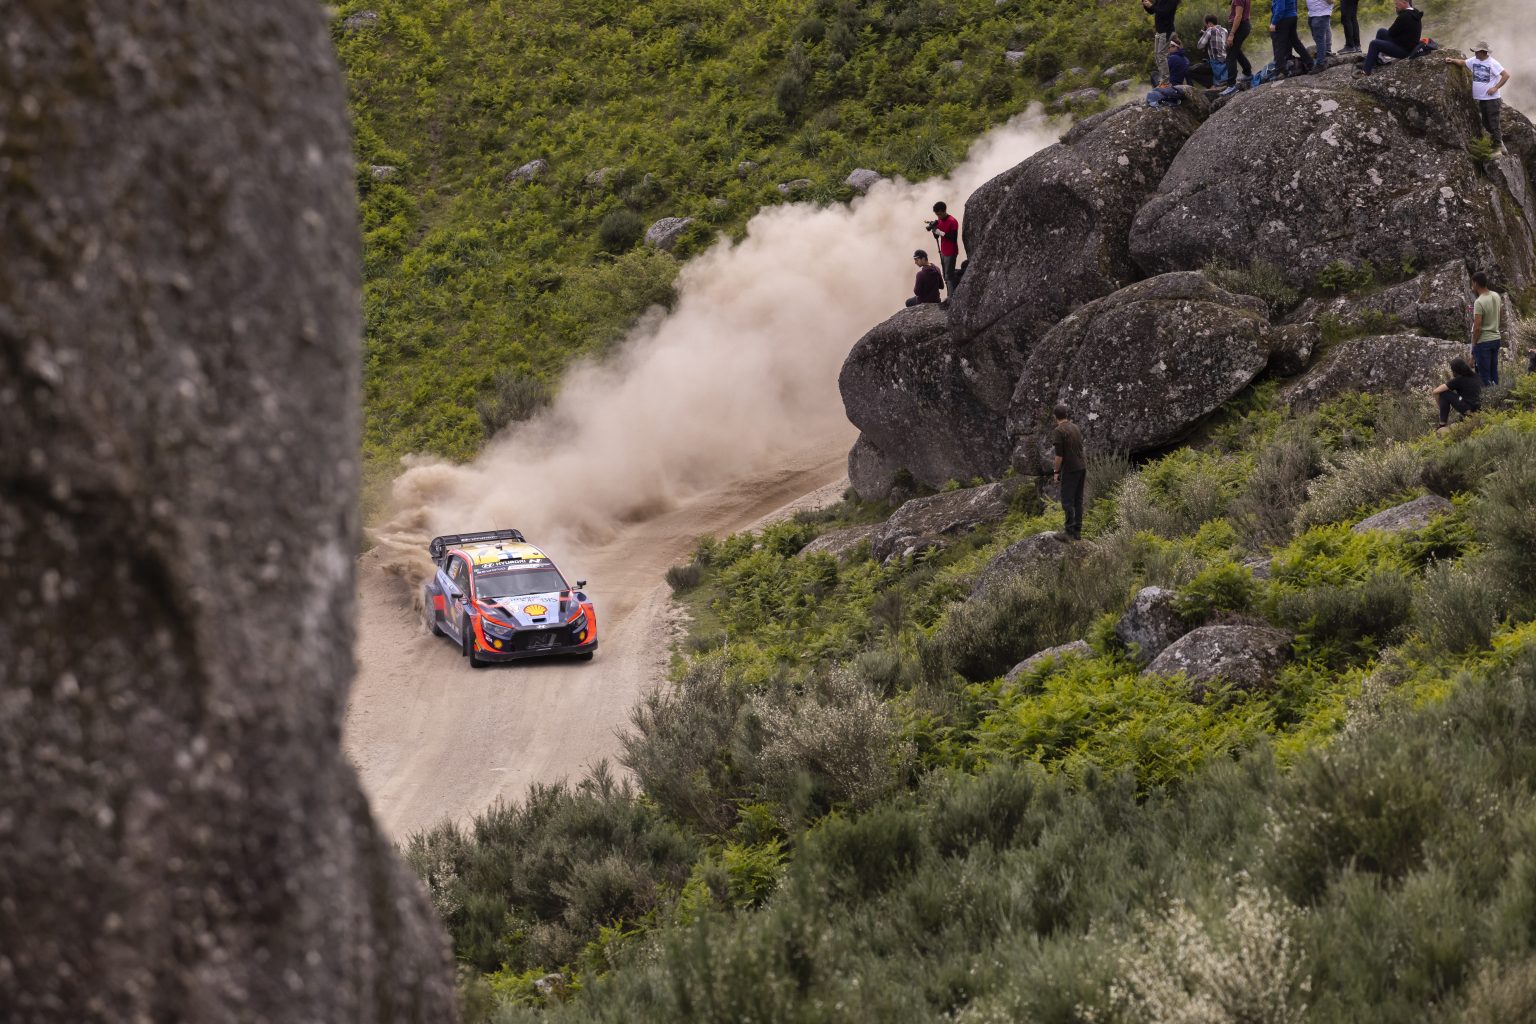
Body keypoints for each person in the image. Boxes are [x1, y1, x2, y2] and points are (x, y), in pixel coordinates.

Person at [1445, 43, 1510, 153]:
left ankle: (1498, 147)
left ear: (1483, 52)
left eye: (1477, 51)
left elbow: (1506, 75)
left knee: (1493, 123)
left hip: (1492, 99)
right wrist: (1452, 60)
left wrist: (1495, 88)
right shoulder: (1474, 60)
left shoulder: (1492, 63)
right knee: (1486, 123)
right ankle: (1499, 143)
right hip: (1482, 99)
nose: (1475, 53)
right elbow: (1463, 63)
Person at [1356, 0, 1421, 77]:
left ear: (1404, 2)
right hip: (1407, 45)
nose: (1395, 6)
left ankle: (1365, 72)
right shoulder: (1415, 12)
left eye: (1397, 3)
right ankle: (1376, 60)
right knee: (1381, 31)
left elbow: (1391, 32)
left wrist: (1399, 14)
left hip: (1404, 51)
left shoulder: (1404, 16)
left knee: (1374, 44)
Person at [1051, 404, 1087, 541]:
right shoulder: (1075, 427)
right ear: (1066, 414)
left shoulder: (1059, 431)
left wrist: (1056, 471)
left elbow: (1059, 456)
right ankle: (1077, 532)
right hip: (1082, 467)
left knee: (1067, 501)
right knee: (1078, 500)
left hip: (1070, 469)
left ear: (1055, 417)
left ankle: (1068, 532)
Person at [1469, 270, 1503, 385]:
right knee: (1494, 372)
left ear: (1475, 283)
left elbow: (1477, 327)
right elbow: (1500, 313)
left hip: (1484, 342)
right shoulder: (1496, 295)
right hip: (1496, 338)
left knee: (1484, 375)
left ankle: (1488, 396)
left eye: (1472, 283)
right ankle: (1497, 393)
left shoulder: (1479, 302)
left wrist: (1474, 344)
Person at [1433, 356, 1482, 431]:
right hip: (1481, 408)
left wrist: (1441, 407)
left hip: (1470, 409)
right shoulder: (1475, 375)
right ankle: (1466, 416)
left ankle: (1442, 424)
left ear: (1454, 370)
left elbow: (1436, 391)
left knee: (1444, 394)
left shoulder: (1458, 380)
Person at [1269, 0, 1312, 77]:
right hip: (1292, 16)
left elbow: (1280, 8)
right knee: (1295, 42)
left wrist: (1274, 22)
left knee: (1278, 45)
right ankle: (1309, 63)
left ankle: (1280, 70)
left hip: (1283, 18)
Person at [926, 202, 961, 296]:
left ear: (944, 211)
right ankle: (950, 294)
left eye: (939, 214)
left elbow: (953, 238)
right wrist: (934, 230)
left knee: (948, 275)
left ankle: (951, 297)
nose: (938, 216)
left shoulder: (953, 221)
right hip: (943, 251)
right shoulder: (939, 220)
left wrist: (940, 232)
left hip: (951, 251)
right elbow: (937, 237)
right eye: (937, 214)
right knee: (946, 275)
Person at [1142, 0, 1181, 85]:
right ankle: (1163, 80)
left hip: (1166, 31)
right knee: (1157, 55)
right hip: (1159, 32)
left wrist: (1151, 6)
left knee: (1161, 55)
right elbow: (1152, 11)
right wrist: (1145, 4)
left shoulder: (1172, 1)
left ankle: (1166, 82)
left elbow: (1164, 13)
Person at [1220, 0, 1253, 95]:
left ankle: (1231, 85)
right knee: (1236, 51)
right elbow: (1247, 13)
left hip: (1239, 26)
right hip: (1244, 25)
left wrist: (1232, 34)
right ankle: (1247, 72)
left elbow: (1238, 16)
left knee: (1230, 55)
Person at [1200, 15, 1229, 84]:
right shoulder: (1225, 30)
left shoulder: (1209, 30)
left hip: (1216, 60)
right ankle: (1224, 80)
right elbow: (1220, 40)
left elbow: (1200, 45)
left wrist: (1204, 34)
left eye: (1206, 25)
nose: (1206, 26)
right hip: (1225, 59)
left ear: (1209, 23)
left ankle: (1218, 83)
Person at [1306, 0, 1333, 71]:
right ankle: (1324, 53)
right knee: (1318, 37)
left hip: (1321, 14)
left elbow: (1331, 1)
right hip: (1312, 13)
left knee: (1319, 39)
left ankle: (1321, 63)